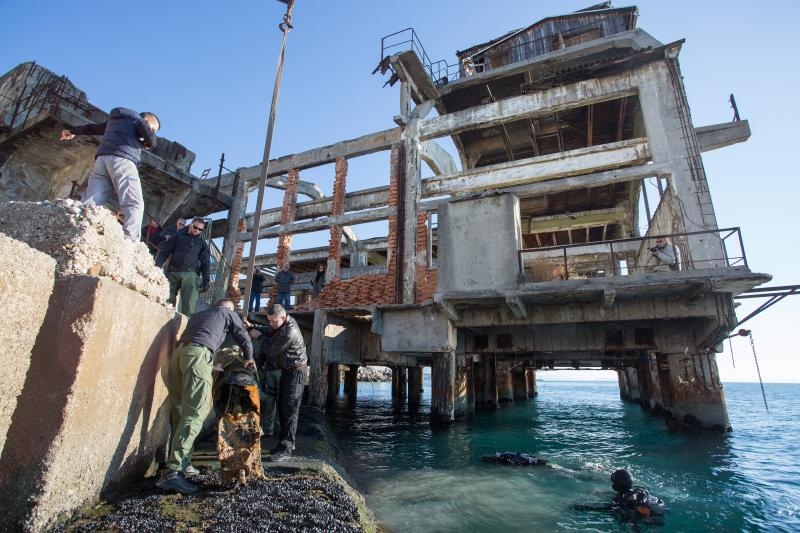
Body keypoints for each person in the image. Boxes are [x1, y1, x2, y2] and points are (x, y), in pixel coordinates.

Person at [155, 298, 254, 495]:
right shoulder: (226, 312)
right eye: (232, 310)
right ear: (226, 308)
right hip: (198, 355)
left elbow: (200, 339)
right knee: (195, 414)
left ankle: (182, 462)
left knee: (180, 409)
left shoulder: (199, 315)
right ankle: (173, 472)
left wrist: (210, 364)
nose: (232, 313)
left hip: (178, 355)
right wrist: (249, 357)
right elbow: (242, 334)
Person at [59, 108, 160, 240]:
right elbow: (152, 142)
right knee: (133, 202)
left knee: (92, 199)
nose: (151, 131)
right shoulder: (139, 121)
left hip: (102, 160)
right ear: (147, 120)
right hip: (123, 160)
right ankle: (130, 240)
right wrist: (147, 140)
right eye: (153, 128)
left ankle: (78, 226)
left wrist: (72, 131)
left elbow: (92, 128)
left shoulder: (116, 120)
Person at [258, 303, 308, 462]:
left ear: (283, 317)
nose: (271, 324)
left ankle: (287, 448)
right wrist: (253, 326)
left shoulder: (289, 331)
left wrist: (258, 336)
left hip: (296, 372)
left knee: (290, 409)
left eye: (274, 321)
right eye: (269, 321)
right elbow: (269, 330)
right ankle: (282, 444)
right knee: (282, 406)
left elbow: (272, 351)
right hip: (287, 370)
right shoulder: (279, 325)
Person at [155, 217, 210, 315]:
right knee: (166, 299)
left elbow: (205, 262)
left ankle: (186, 327)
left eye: (200, 229)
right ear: (190, 225)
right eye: (195, 227)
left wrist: (206, 280)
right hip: (172, 272)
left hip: (190, 274)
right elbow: (164, 252)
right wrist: (156, 267)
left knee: (189, 305)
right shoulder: (177, 236)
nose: (197, 230)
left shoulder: (202, 244)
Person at [571, 468, 667, 524]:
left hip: (647, 517)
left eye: (614, 482)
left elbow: (607, 508)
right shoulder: (637, 491)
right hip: (658, 511)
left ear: (618, 484)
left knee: (619, 515)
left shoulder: (624, 500)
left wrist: (582, 507)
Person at [248, 319, 282, 437]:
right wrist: (254, 367)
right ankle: (269, 428)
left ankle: (278, 426)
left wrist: (260, 336)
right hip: (270, 371)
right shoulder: (267, 336)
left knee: (281, 399)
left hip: (281, 370)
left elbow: (273, 350)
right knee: (271, 399)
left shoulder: (281, 332)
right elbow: (263, 354)